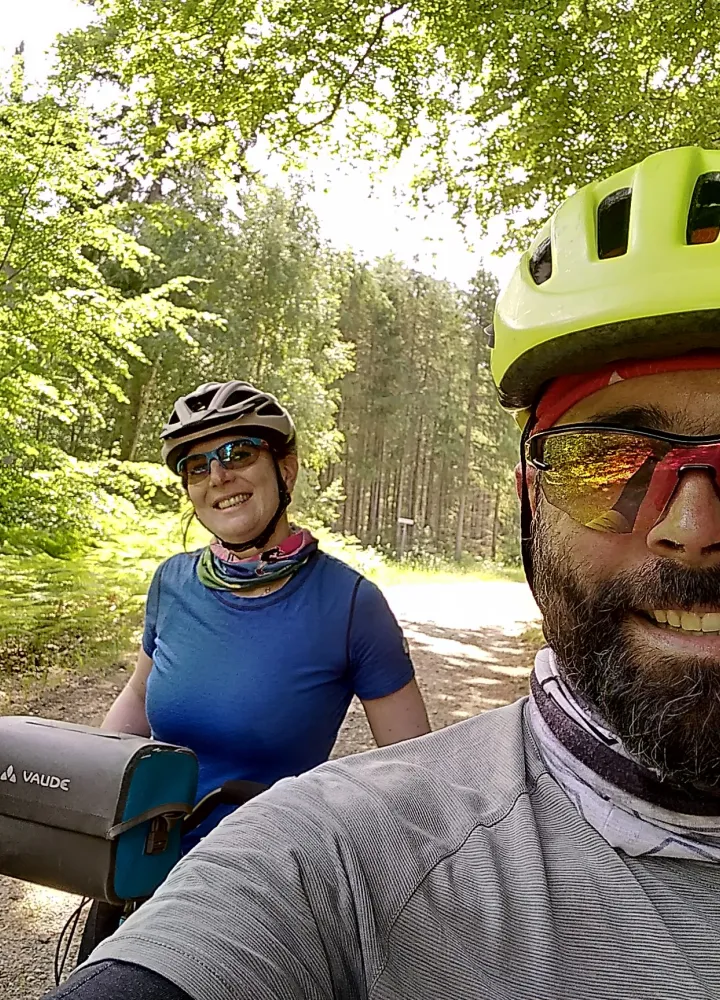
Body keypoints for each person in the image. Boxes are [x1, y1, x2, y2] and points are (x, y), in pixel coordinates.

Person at [49, 146, 720, 999]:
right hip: (153, 871)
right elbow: (134, 711)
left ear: (286, 468)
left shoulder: (349, 601)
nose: (692, 530)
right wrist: (76, 797)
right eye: (608, 460)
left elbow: (413, 771)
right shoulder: (173, 584)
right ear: (530, 501)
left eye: (239, 453)